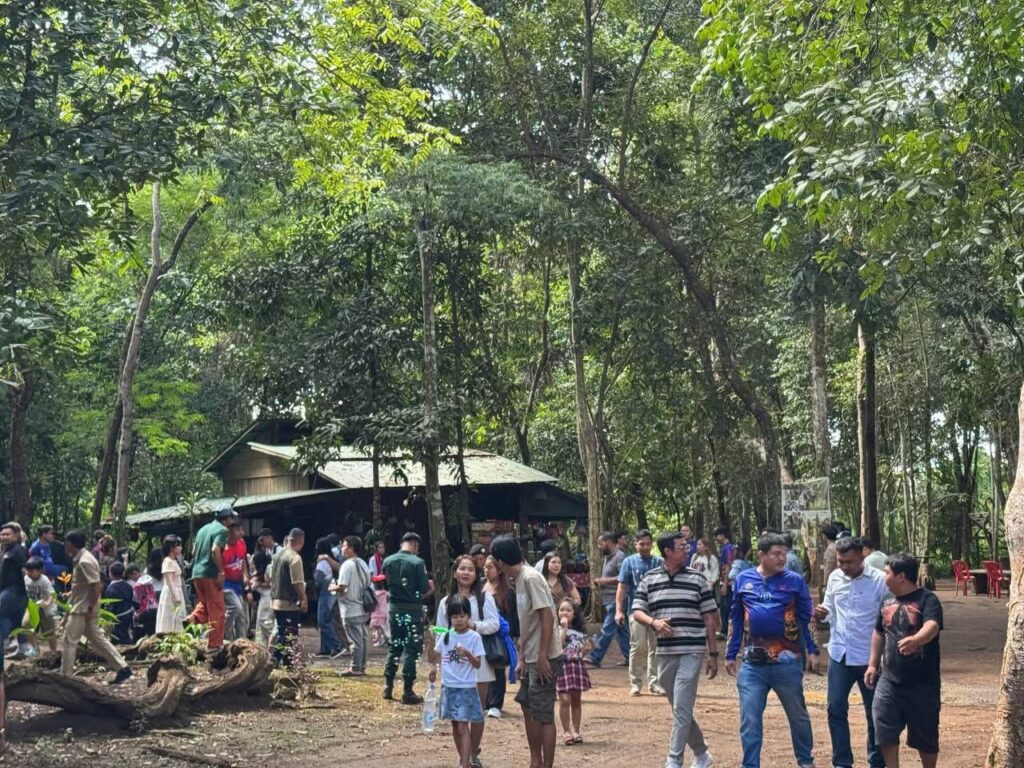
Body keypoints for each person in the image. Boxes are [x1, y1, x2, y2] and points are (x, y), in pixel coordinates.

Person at [726, 532, 819, 768]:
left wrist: (813, 649)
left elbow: (807, 617)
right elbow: (735, 618)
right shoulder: (743, 579)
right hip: (752, 665)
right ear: (761, 555)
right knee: (749, 720)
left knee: (798, 716)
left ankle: (806, 761)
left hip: (787, 663)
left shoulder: (795, 581)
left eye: (784, 554)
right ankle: (750, 765)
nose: (782, 558)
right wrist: (730, 653)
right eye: (776, 554)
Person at [632, 530, 719, 768]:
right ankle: (701, 753)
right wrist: (654, 622)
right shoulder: (650, 578)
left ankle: (674, 760)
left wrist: (713, 654)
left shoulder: (697, 579)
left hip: (692, 649)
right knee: (680, 708)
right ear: (668, 551)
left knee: (681, 707)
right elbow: (637, 610)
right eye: (682, 547)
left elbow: (709, 617)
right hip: (665, 651)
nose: (687, 549)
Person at [813, 536, 888, 768]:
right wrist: (822, 613)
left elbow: (889, 617)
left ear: (862, 557)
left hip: (870, 658)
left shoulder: (880, 581)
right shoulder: (835, 578)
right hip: (840, 654)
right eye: (840, 561)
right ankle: (842, 762)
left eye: (849, 562)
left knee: (875, 713)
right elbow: (830, 609)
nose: (844, 566)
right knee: (835, 709)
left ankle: (876, 762)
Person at [490, 535, 563, 768]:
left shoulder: (531, 578)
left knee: (543, 713)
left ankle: (545, 764)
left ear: (501, 562)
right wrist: (523, 657)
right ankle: (535, 760)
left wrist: (542, 657)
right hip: (531, 655)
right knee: (527, 704)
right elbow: (528, 622)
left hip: (545, 656)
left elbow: (547, 616)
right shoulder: (519, 579)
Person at [865, 554, 943, 768]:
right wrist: (872, 664)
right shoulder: (886, 600)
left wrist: (917, 640)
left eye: (887, 573)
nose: (883, 577)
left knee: (926, 736)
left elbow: (932, 626)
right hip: (889, 681)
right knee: (884, 728)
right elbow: (878, 633)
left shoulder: (928, 599)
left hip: (922, 684)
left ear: (900, 576)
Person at [436, 555, 500, 767]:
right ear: (455, 573)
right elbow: (441, 632)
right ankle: (464, 757)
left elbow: (494, 624)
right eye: (462, 569)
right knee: (456, 714)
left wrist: (474, 626)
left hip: (478, 659)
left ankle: (473, 753)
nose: (466, 573)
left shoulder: (484, 598)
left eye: (470, 569)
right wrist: (439, 662)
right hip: (454, 664)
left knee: (477, 711)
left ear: (476, 574)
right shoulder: (446, 602)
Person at [60, 529, 132, 683]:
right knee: (97, 638)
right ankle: (122, 667)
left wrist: (90, 607)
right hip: (82, 605)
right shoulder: (82, 558)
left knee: (69, 640)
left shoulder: (85, 561)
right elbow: (84, 585)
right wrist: (71, 594)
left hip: (83, 609)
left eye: (66, 543)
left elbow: (96, 585)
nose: (65, 546)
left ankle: (65, 678)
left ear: (71, 544)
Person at [427, 595, 485, 768]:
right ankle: (463, 759)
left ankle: (465, 764)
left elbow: (477, 664)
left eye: (462, 615)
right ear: (449, 618)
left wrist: (466, 652)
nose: (459, 620)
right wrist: (431, 640)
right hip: (448, 686)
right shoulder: (446, 635)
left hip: (465, 687)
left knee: (462, 727)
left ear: (469, 616)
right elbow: (433, 658)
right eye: (454, 616)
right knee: (455, 726)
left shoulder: (474, 637)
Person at [611, 529, 665, 694]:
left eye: (648, 544)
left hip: (657, 611)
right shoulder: (629, 562)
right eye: (642, 544)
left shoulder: (660, 562)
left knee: (656, 647)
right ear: (635, 544)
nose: (645, 547)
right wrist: (618, 610)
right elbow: (622, 587)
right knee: (638, 646)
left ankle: (655, 683)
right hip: (636, 610)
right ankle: (636, 683)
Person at [382, 531, 430, 704]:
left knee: (394, 646)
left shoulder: (388, 561)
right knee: (411, 649)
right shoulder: (418, 562)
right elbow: (424, 588)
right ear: (415, 545)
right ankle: (407, 690)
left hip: (394, 609)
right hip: (413, 611)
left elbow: (384, 584)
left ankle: (388, 686)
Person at [187, 507, 237, 650]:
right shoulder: (222, 530)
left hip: (197, 573)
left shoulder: (203, 529)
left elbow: (193, 551)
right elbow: (215, 549)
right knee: (217, 609)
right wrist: (221, 572)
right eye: (231, 518)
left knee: (205, 603)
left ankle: (192, 619)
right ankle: (215, 645)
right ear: (227, 519)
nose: (232, 521)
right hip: (210, 574)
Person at [0, 522, 30, 751]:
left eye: (7, 533)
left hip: (14, 594)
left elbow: (25, 573)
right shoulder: (6, 551)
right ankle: (12, 642)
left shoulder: (18, 551)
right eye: (1, 533)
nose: (3, 536)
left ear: (17, 535)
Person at [585, 531, 629, 669]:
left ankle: (595, 656)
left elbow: (623, 577)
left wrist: (603, 581)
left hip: (616, 599)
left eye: (600, 544)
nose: (599, 547)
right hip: (608, 598)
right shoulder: (608, 557)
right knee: (621, 630)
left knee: (607, 629)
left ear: (608, 542)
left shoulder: (620, 556)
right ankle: (630, 656)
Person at [483, 553, 518, 718]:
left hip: (500, 634)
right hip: (482, 632)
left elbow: (512, 616)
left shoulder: (508, 592)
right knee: (483, 667)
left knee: (498, 666)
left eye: (490, 567)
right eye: (485, 567)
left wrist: (512, 636)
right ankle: (485, 700)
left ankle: (496, 703)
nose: (486, 570)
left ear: (499, 570)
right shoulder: (480, 588)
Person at [333, 535, 372, 676]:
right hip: (363, 607)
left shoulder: (347, 565)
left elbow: (342, 586)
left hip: (350, 608)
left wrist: (332, 587)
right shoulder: (363, 563)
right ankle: (361, 666)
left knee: (355, 640)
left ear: (351, 548)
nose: (342, 548)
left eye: (344, 546)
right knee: (362, 638)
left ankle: (355, 668)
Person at [555, 599, 592, 746]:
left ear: (574, 614)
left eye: (568, 610)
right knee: (564, 699)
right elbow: (559, 645)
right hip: (562, 666)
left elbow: (584, 650)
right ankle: (566, 731)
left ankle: (576, 731)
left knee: (576, 699)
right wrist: (563, 628)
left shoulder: (580, 632)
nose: (564, 613)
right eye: (561, 610)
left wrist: (587, 649)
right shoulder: (555, 629)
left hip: (576, 666)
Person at [270, 528, 307, 667]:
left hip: (276, 600)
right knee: (289, 635)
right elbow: (297, 582)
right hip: (289, 603)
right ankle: (276, 659)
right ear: (301, 541)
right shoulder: (294, 558)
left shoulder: (276, 556)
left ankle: (286, 662)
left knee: (282, 631)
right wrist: (303, 598)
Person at [23, 556, 58, 654]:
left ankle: (54, 652)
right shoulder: (26, 579)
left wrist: (47, 603)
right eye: (27, 571)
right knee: (25, 624)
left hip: (46, 609)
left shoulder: (44, 580)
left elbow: (52, 594)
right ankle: (34, 648)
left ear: (40, 571)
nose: (28, 573)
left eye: (31, 571)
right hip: (32, 607)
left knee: (49, 632)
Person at [314, 537, 342, 656]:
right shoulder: (330, 559)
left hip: (325, 592)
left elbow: (318, 579)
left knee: (323, 621)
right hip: (331, 591)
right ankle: (325, 648)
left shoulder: (322, 562)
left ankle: (336, 645)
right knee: (327, 619)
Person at [222, 520, 249, 642]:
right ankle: (226, 637)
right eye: (237, 530)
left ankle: (241, 641)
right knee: (236, 607)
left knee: (242, 615)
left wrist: (245, 576)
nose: (241, 533)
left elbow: (243, 561)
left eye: (241, 529)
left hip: (237, 583)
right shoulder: (222, 547)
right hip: (226, 583)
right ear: (229, 532)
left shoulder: (241, 543)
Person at [153, 536, 184, 634]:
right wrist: (175, 596)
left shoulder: (175, 561)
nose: (181, 547)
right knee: (170, 615)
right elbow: (169, 581)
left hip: (178, 590)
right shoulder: (168, 561)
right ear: (171, 548)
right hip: (171, 592)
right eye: (178, 545)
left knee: (178, 616)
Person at [104, 562, 137, 644]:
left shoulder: (110, 589)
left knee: (119, 637)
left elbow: (109, 606)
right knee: (127, 634)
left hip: (117, 617)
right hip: (129, 614)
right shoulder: (128, 586)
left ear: (110, 573)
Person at [251, 549, 275, 647]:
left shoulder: (269, 568)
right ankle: (262, 646)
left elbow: (272, 584)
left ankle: (272, 645)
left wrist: (259, 584)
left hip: (268, 597)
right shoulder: (259, 571)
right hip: (264, 597)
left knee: (265, 622)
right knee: (260, 623)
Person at [714, 527, 736, 638]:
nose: (716, 538)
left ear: (723, 535)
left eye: (717, 535)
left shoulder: (727, 548)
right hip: (725, 581)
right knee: (723, 607)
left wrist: (725, 584)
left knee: (726, 607)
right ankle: (725, 630)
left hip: (727, 582)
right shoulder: (725, 548)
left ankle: (726, 631)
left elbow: (728, 566)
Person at [369, 573, 390, 647]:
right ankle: (386, 637)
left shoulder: (375, 594)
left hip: (376, 613)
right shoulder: (386, 593)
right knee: (382, 627)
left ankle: (379, 641)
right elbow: (388, 601)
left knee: (376, 629)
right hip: (384, 612)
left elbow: (372, 603)